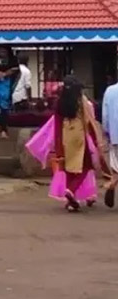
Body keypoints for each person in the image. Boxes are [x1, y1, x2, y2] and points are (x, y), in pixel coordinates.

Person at [51, 77, 107, 212]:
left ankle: (71, 201)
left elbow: (57, 125)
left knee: (69, 167)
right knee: (86, 166)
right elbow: (89, 121)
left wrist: (57, 143)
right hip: (79, 136)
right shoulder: (81, 102)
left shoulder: (60, 102)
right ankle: (70, 191)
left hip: (65, 136)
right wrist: (95, 139)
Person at [101, 78, 118, 209]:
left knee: (116, 166)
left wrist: (107, 132)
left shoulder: (110, 91)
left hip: (115, 135)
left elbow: (105, 116)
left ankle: (112, 183)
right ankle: (112, 183)